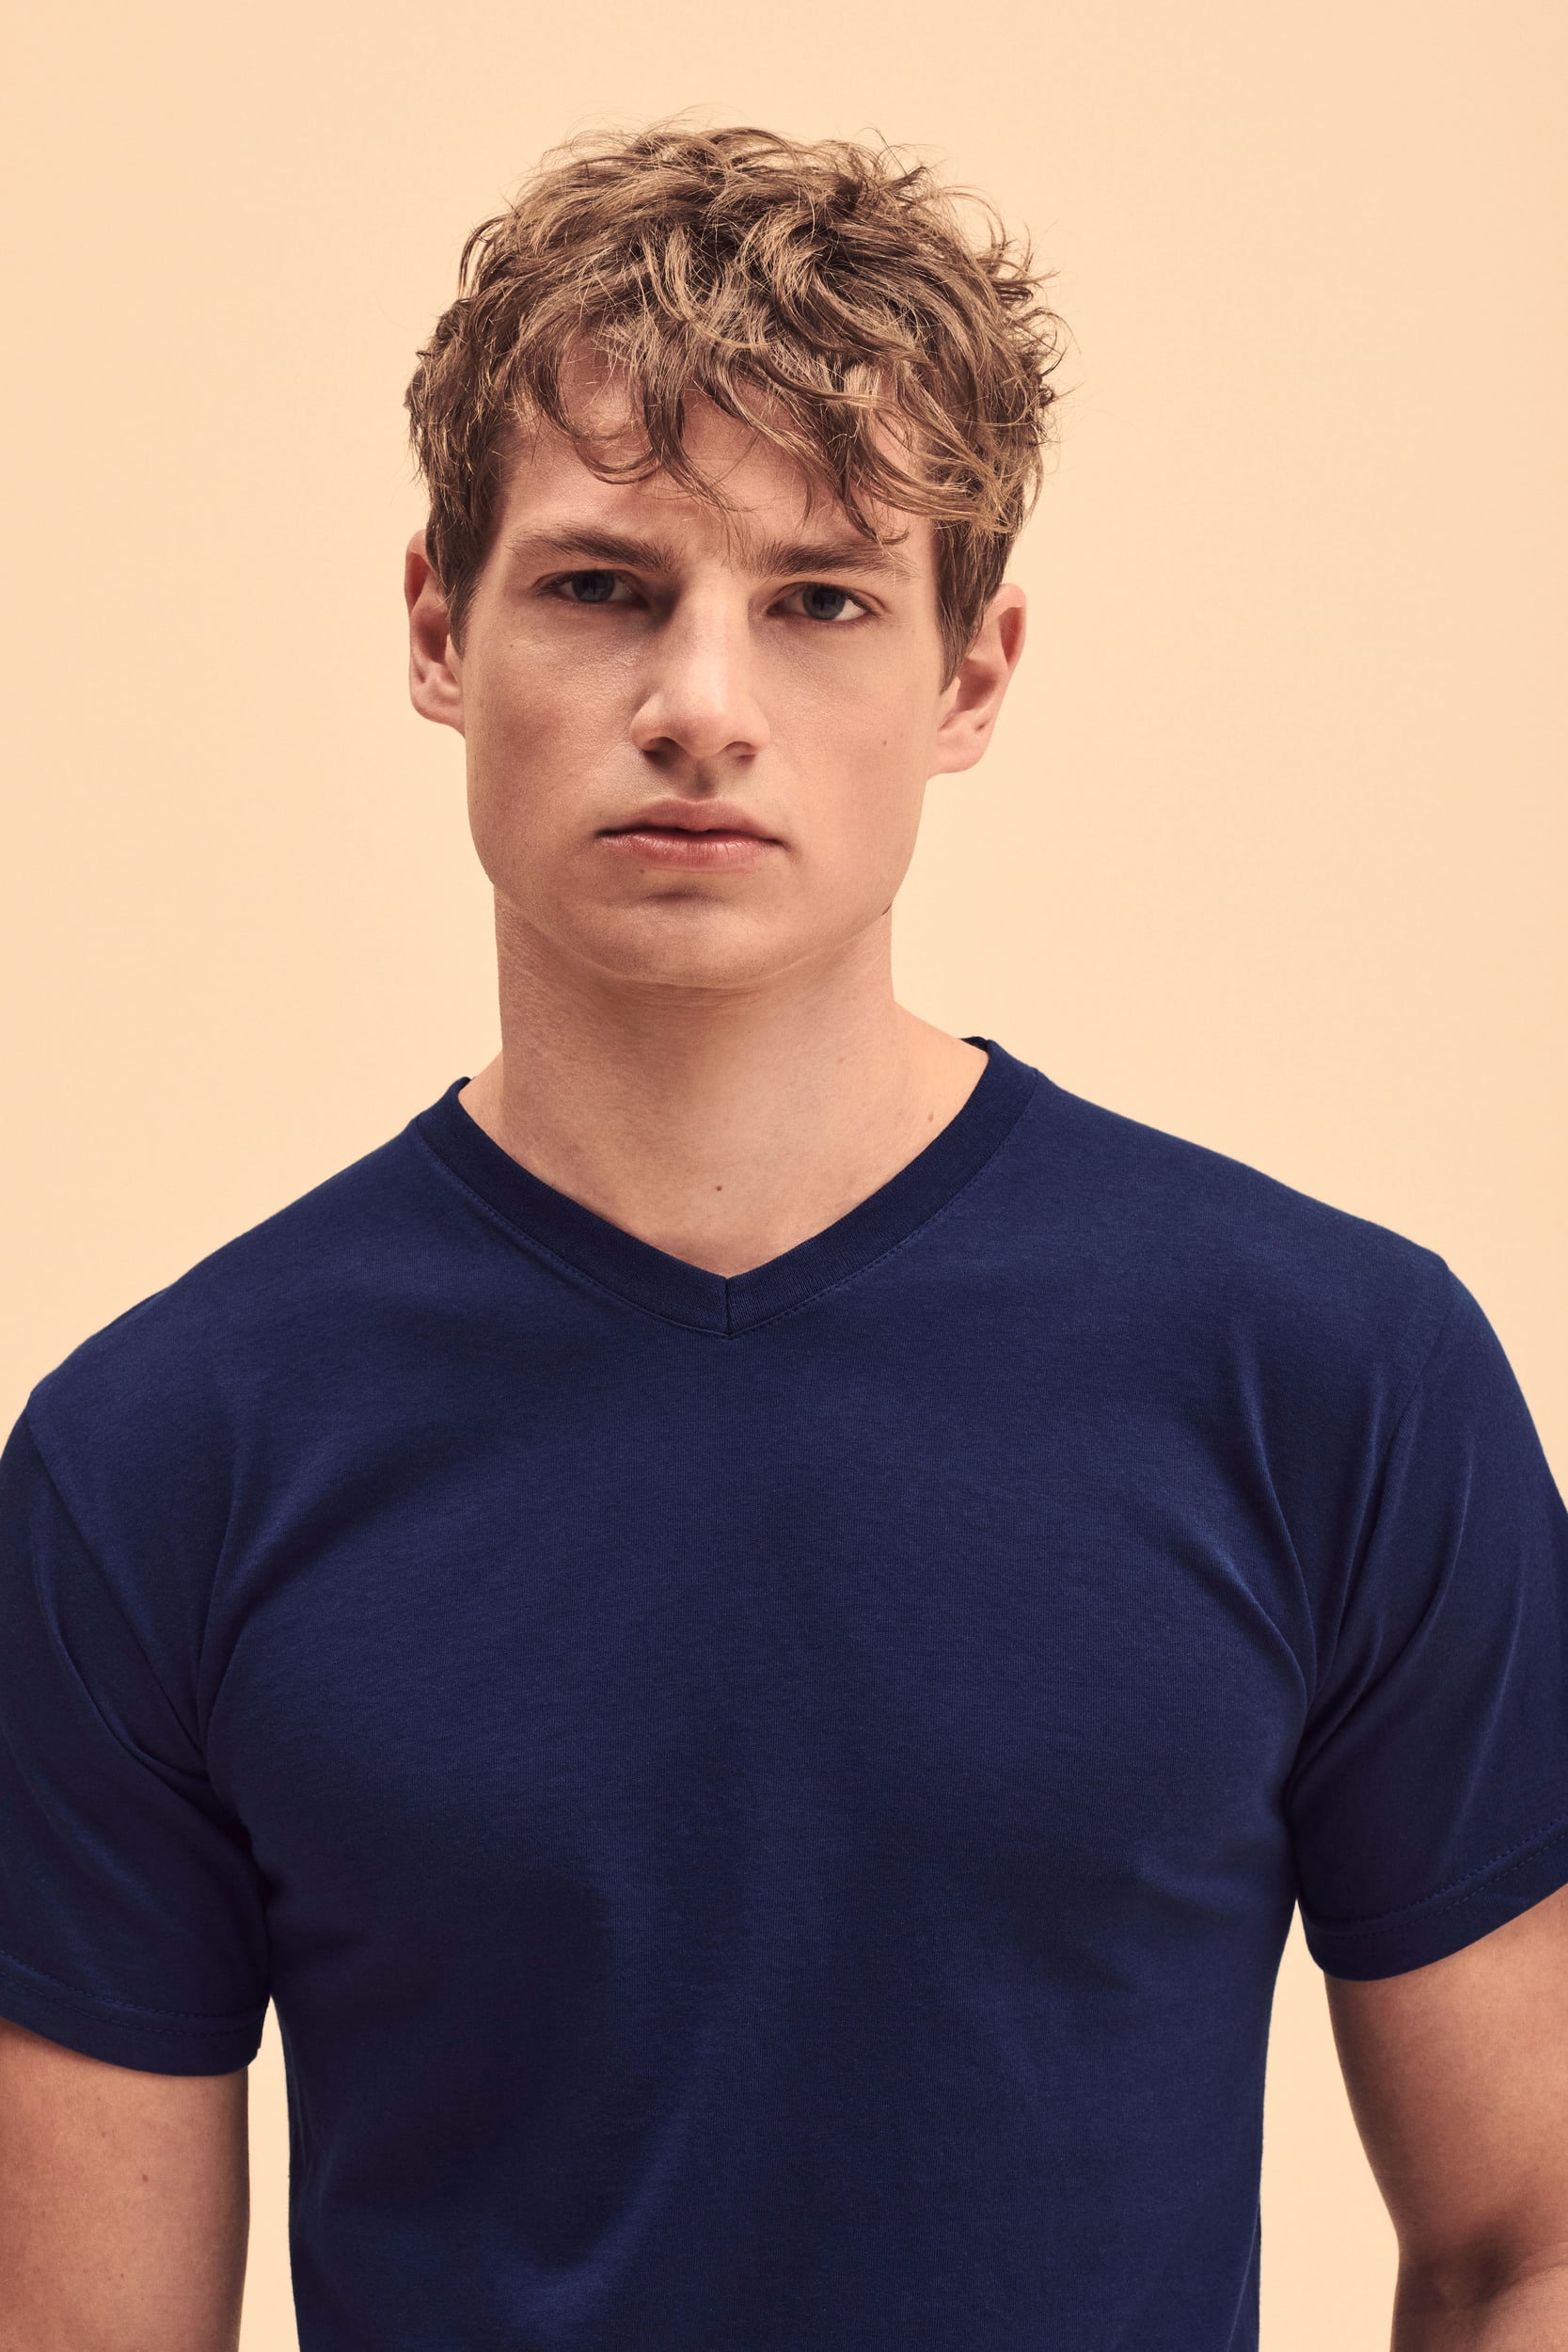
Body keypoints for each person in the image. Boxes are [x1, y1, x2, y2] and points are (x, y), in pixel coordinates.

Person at [1, 122, 1564, 2352]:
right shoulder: (158, 1459)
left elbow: (1530, 2237)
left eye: (820, 598)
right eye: (601, 586)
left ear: (972, 674)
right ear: (440, 626)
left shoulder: (1333, 1377)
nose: (703, 705)